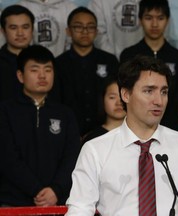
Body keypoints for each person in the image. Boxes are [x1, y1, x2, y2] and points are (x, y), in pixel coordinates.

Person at [65, 55, 178, 216]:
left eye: (164, 92)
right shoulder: (95, 150)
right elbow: (80, 209)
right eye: (149, 91)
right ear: (125, 95)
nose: (159, 101)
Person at [0, 45, 81, 206]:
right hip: (13, 202)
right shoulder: (5, 111)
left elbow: (72, 157)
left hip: (57, 202)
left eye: (48, 70)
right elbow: (7, 158)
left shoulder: (65, 114)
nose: (42, 75)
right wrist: (36, 190)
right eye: (34, 70)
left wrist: (56, 190)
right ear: (20, 75)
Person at [120, 0, 178, 131]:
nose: (155, 24)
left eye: (160, 18)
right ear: (140, 20)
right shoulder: (129, 55)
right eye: (148, 18)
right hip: (135, 128)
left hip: (172, 127)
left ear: (167, 20)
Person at [56, 7, 119, 136]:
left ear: (96, 31)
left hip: (106, 133)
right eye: (78, 27)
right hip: (68, 132)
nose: (85, 31)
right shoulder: (58, 64)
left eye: (90, 27)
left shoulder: (110, 61)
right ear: (68, 31)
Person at [0, 5, 34, 101]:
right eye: (13, 28)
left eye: (25, 27)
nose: (20, 33)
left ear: (32, 30)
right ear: (3, 31)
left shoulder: (43, 60)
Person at [81, 77, 126, 144]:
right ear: (102, 101)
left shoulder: (140, 134)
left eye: (123, 97)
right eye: (112, 97)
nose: (119, 103)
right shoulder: (92, 139)